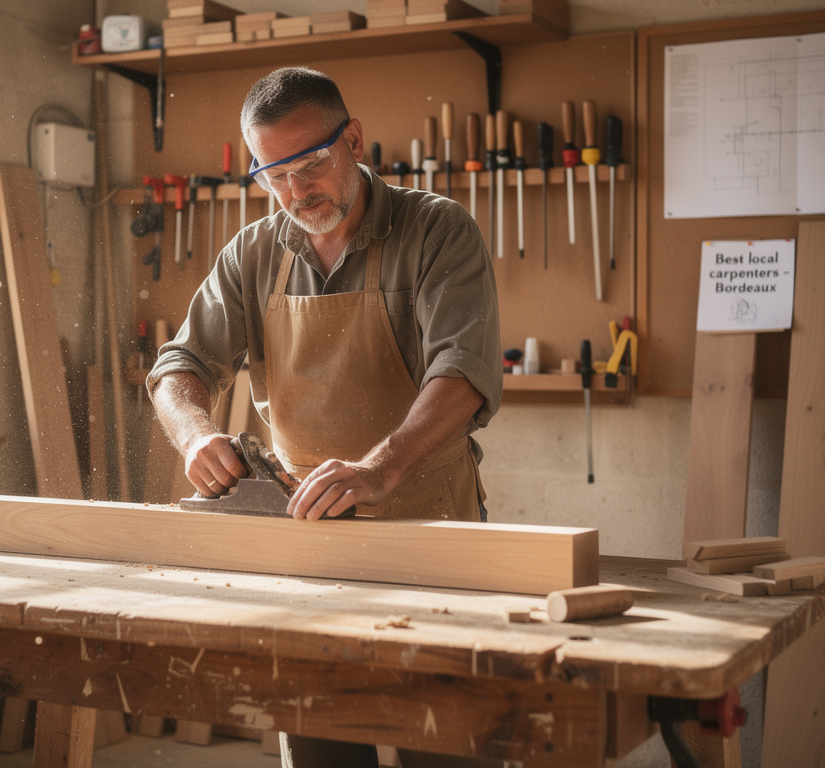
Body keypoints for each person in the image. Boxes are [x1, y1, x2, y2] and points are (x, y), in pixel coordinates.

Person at [147, 67, 503, 767]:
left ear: (354, 141)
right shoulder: (252, 254)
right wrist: (195, 436)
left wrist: (378, 470)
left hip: (430, 530)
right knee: (321, 747)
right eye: (273, 175)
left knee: (446, 744)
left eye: (310, 164)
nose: (296, 191)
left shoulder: (437, 230)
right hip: (307, 539)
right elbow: (178, 365)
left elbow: (462, 376)